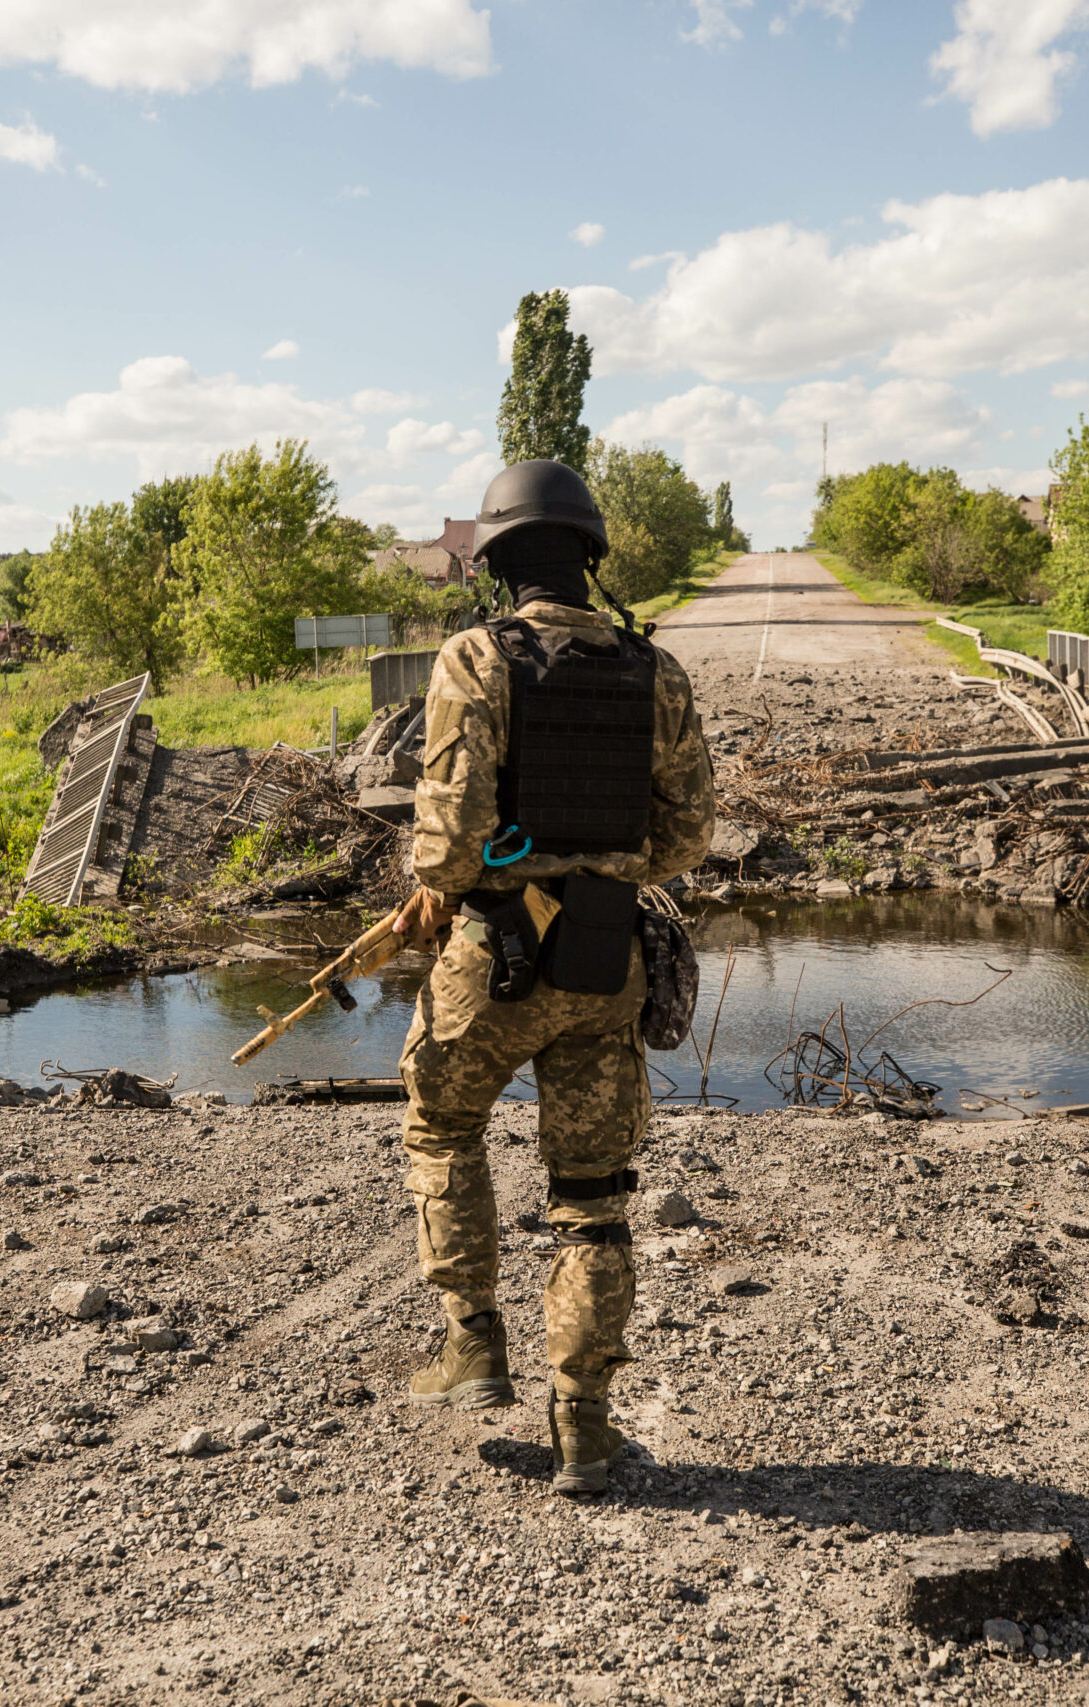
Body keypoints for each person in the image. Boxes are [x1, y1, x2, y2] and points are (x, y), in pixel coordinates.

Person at [387, 458, 718, 1496]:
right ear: (588, 554)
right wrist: (599, 869)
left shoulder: (472, 658)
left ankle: (471, 1349)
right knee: (592, 1201)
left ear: (493, 562)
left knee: (443, 1131)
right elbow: (687, 836)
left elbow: (444, 853)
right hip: (603, 961)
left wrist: (478, 875)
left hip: (487, 962)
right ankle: (584, 1422)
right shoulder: (654, 670)